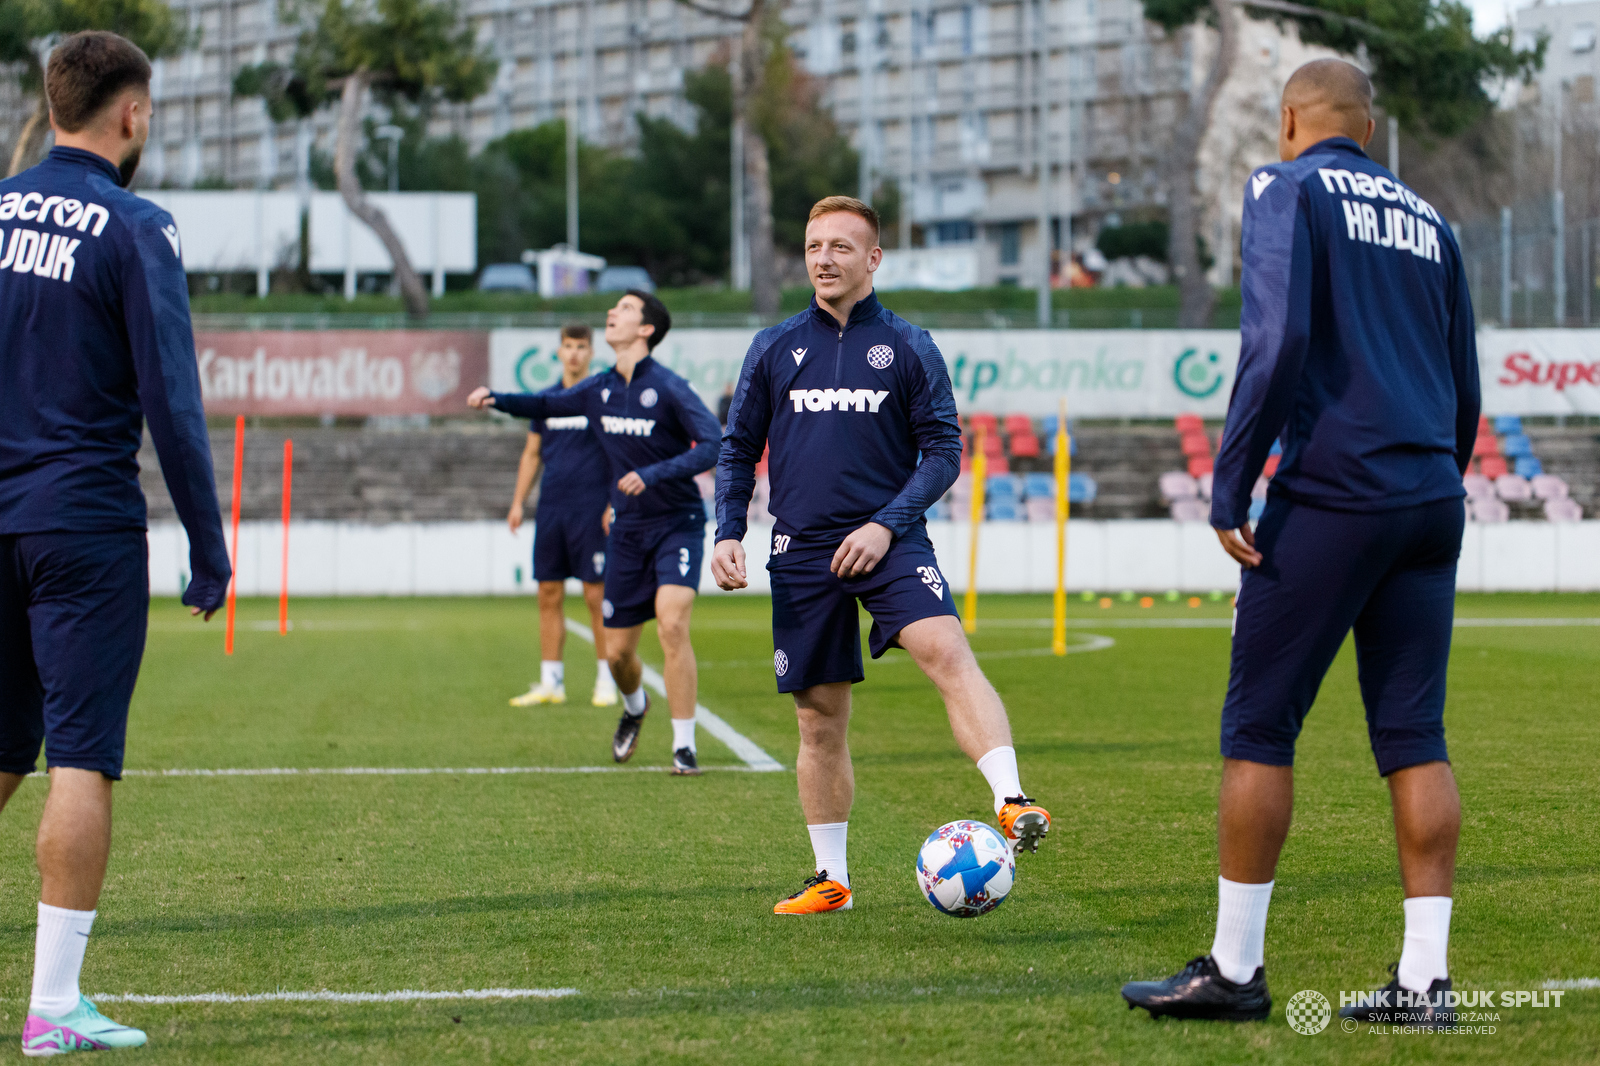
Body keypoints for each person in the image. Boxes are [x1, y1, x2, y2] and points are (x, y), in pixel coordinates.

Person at [1121, 59, 1479, 1024]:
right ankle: (1424, 983)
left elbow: (1273, 339)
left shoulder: (1284, 185)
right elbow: (1464, 380)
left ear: (1289, 120)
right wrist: (1433, 480)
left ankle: (1236, 973)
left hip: (1332, 491)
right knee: (1414, 734)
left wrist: (1231, 485)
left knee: (1259, 727)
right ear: (1368, 127)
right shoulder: (1432, 221)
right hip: (1430, 497)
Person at [712, 196, 1051, 915]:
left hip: (890, 542)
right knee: (818, 718)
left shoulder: (907, 345)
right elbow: (739, 446)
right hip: (801, 552)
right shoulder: (775, 346)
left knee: (946, 651)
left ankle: (1012, 800)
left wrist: (887, 525)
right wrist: (727, 531)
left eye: (840, 246)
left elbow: (943, 452)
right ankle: (831, 880)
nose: (824, 258)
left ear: (873, 259)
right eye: (813, 246)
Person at [0, 31, 231, 1055]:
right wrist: (210, 545)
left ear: (52, 102)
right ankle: (53, 1005)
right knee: (81, 758)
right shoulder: (134, 224)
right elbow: (172, 404)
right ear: (131, 114)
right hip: (79, 524)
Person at [468, 292, 720, 775]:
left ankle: (684, 747)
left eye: (625, 309)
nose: (613, 313)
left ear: (646, 329)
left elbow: (713, 443)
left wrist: (655, 473)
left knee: (671, 623)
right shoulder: (598, 389)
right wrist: (497, 398)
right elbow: (544, 402)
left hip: (676, 525)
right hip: (626, 532)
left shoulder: (669, 388)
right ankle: (634, 707)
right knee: (620, 653)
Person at [506, 322, 618, 708]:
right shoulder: (546, 399)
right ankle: (551, 681)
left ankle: (606, 680)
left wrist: (613, 502)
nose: (573, 353)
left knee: (595, 594)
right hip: (552, 508)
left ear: (591, 353)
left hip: (592, 510)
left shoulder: (601, 397)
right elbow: (532, 453)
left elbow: (619, 454)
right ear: (558, 352)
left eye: (581, 346)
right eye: (567, 346)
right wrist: (519, 501)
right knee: (548, 593)